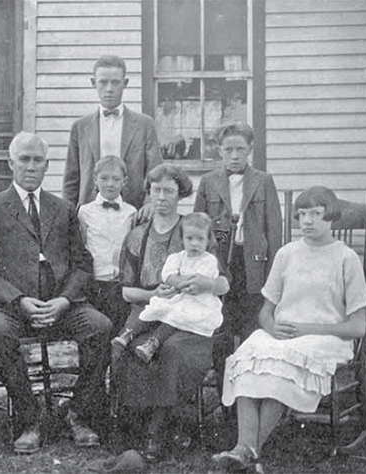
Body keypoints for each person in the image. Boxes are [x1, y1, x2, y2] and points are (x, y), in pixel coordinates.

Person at [0, 131, 113, 455]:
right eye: (24, 160)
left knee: (100, 328)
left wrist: (64, 300)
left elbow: (82, 264)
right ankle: (29, 419)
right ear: (10, 163)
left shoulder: (62, 209)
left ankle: (78, 414)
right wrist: (18, 300)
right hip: (9, 308)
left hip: (60, 304)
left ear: (47, 166)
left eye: (38, 161)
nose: (31, 167)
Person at [212, 186, 366, 474]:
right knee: (250, 362)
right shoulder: (287, 254)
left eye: (316, 214)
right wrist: (273, 329)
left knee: (279, 368)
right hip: (282, 335)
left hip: (326, 338)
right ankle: (245, 450)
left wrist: (304, 329)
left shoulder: (347, 259)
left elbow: (358, 327)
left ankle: (245, 451)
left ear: (331, 217)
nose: (307, 221)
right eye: (302, 214)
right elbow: (265, 312)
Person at [113, 164, 229, 461]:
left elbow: (223, 282)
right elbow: (127, 291)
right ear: (148, 193)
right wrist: (155, 294)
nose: (161, 197)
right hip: (150, 308)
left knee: (172, 352)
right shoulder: (138, 235)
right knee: (127, 349)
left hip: (190, 315)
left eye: (169, 191)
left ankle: (160, 428)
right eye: (156, 190)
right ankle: (134, 426)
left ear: (181, 194)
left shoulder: (193, 229)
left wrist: (205, 283)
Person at [193, 121, 282, 384]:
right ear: (219, 151)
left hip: (253, 265)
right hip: (221, 265)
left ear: (250, 150)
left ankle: (248, 390)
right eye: (228, 149)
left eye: (240, 149)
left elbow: (274, 231)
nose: (234, 155)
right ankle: (224, 395)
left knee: (251, 331)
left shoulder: (263, 181)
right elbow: (198, 226)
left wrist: (272, 277)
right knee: (221, 329)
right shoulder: (209, 182)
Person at [114, 212, 225, 364]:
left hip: (197, 302)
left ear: (208, 241)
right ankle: (129, 334)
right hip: (177, 296)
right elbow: (167, 274)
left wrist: (181, 282)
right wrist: (177, 281)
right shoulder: (177, 257)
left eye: (200, 239)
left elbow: (198, 280)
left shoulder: (209, 260)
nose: (194, 244)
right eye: (190, 238)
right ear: (182, 239)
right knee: (156, 308)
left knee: (175, 315)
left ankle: (153, 343)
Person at [63, 54, 163, 221]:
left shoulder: (145, 125)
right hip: (89, 214)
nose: (109, 88)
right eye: (103, 82)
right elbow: (71, 179)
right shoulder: (80, 127)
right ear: (93, 83)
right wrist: (68, 216)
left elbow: (156, 172)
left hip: (134, 212)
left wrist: (150, 203)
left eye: (115, 82)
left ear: (125, 84)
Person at [78, 155, 136, 332]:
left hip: (120, 283)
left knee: (119, 328)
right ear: (95, 179)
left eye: (116, 179)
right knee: (98, 330)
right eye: (104, 178)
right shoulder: (85, 211)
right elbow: (82, 246)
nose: (110, 184)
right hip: (95, 282)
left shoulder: (131, 212)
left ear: (124, 182)